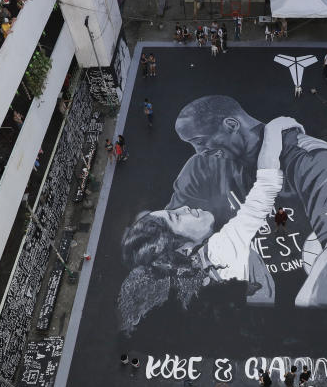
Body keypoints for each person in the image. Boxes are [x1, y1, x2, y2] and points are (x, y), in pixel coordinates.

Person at [169, 96, 327, 308]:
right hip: (245, 306)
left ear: (231, 125)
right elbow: (169, 236)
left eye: (199, 142)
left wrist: (307, 307)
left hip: (301, 293)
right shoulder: (199, 168)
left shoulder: (313, 159)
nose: (199, 151)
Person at [118, 117, 299, 332]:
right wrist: (275, 127)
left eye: (172, 210)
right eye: (176, 217)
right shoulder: (220, 251)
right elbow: (266, 187)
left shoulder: (187, 280)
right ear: (183, 249)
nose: (183, 208)